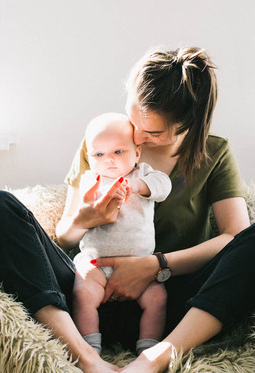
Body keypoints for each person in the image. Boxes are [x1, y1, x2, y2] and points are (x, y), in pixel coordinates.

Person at [0, 45, 255, 373]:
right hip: (87, 292)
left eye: (152, 132)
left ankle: (156, 358)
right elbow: (64, 238)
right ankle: (82, 354)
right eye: (132, 118)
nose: (136, 136)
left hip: (169, 305)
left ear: (187, 126)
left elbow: (234, 236)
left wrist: (154, 267)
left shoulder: (215, 153)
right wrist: (85, 219)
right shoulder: (104, 142)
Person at [72, 112, 171, 356]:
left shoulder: (142, 175)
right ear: (89, 157)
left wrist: (138, 186)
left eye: (118, 152)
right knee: (82, 294)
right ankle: (90, 348)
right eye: (99, 154)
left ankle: (147, 349)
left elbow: (163, 186)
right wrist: (94, 199)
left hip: (140, 265)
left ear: (137, 153)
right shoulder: (91, 180)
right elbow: (82, 205)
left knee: (158, 298)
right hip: (96, 264)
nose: (109, 161)